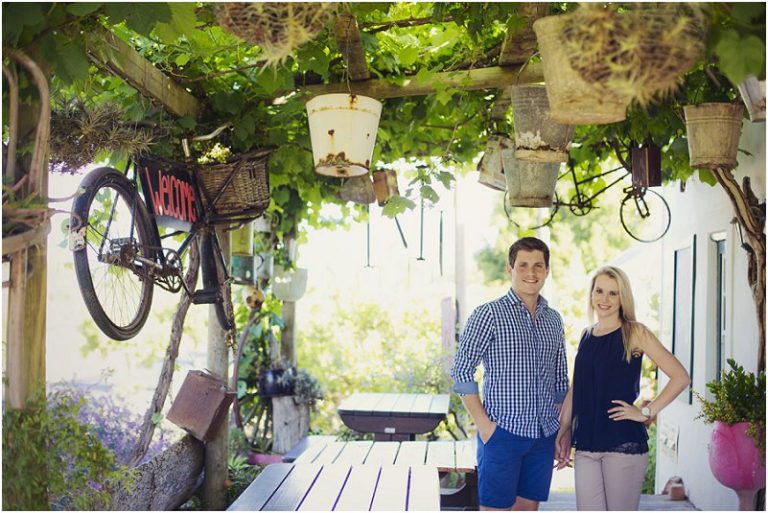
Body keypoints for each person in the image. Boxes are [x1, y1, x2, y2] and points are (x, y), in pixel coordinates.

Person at [555, 266, 691, 511]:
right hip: (586, 443)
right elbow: (577, 389)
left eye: (613, 293)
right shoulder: (586, 335)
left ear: (622, 297)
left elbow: (680, 377)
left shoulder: (635, 333)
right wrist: (564, 430)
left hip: (623, 444)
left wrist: (646, 412)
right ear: (591, 294)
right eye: (599, 291)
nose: (604, 299)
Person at [451, 237, 568, 511]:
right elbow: (461, 370)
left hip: (543, 436)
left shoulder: (553, 319)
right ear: (510, 269)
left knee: (528, 507)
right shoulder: (488, 314)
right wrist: (485, 427)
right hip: (502, 434)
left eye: (538, 265)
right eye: (523, 265)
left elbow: (560, 380)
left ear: (547, 270)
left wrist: (562, 430)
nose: (531, 272)